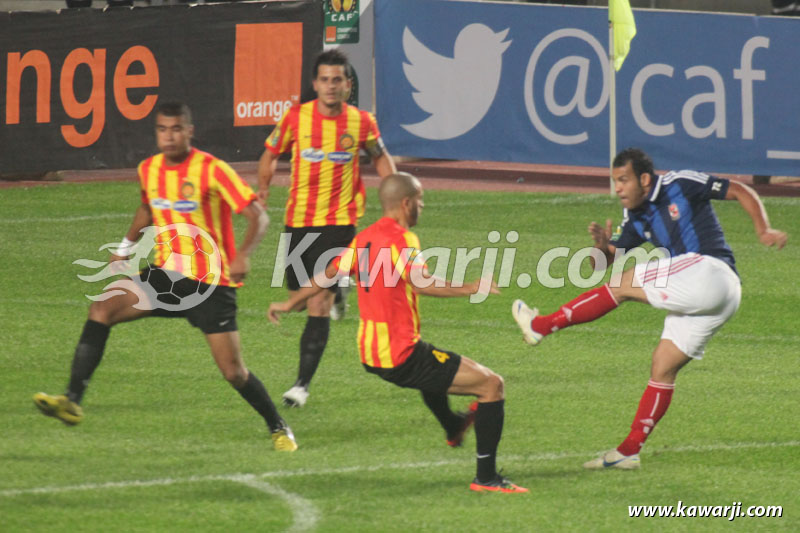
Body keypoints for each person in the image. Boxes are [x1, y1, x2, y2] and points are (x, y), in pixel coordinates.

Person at [34, 101, 298, 452]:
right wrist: (125, 247)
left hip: (210, 284)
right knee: (101, 308)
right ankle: (72, 400)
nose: (169, 136)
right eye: (162, 130)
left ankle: (279, 426)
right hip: (165, 277)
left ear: (189, 131)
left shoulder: (212, 169)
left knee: (233, 372)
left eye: (176, 129)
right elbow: (148, 208)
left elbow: (258, 217)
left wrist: (243, 255)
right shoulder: (150, 169)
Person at [512, 147, 787, 469]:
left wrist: (763, 229)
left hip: (710, 271)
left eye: (623, 180)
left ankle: (541, 326)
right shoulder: (634, 217)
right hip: (720, 297)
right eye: (615, 181)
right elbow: (600, 265)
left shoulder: (680, 183)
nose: (618, 188)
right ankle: (628, 451)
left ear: (644, 179)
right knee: (663, 367)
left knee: (623, 284)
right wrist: (600, 247)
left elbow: (739, 189)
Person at [268, 172, 528, 493]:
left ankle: (453, 425)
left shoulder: (364, 238)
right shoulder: (403, 239)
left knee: (434, 363)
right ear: (406, 204)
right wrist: (470, 287)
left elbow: (329, 273)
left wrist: (290, 301)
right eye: (420, 201)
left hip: (371, 352)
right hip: (399, 354)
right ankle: (486, 478)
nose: (422, 207)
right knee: (492, 385)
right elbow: (421, 283)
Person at [257, 49, 396, 408]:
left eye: (338, 80)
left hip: (339, 224)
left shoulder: (361, 122)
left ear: (348, 85)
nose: (331, 86)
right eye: (325, 80)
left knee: (318, 303)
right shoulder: (295, 118)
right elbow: (270, 153)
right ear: (315, 84)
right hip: (298, 223)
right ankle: (342, 287)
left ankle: (301, 386)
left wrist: (394, 196)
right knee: (299, 300)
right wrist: (263, 189)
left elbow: (379, 156)